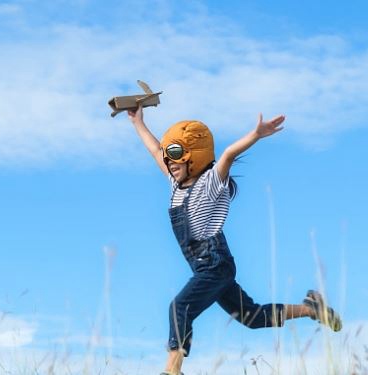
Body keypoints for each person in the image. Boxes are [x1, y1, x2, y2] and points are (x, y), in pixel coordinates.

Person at [127, 105, 342, 375]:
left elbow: (228, 154)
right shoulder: (175, 183)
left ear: (194, 157)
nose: (169, 164)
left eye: (176, 157)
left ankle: (172, 371)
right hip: (207, 267)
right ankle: (311, 309)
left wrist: (256, 134)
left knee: (179, 307)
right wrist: (138, 122)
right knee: (251, 317)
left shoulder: (210, 182)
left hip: (214, 262)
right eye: (169, 160)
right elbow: (156, 150)